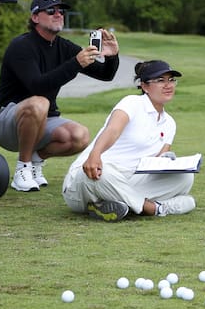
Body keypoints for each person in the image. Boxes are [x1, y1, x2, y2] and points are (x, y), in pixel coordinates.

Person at [0, 0, 121, 192]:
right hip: (6, 121)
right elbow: (37, 86)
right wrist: (75, 64)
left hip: (42, 121)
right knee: (40, 102)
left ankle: (35, 160)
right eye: (51, 10)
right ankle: (22, 169)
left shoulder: (63, 46)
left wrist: (112, 56)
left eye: (61, 11)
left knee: (80, 136)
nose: (58, 14)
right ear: (35, 17)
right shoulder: (21, 46)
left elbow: (105, 75)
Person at [61, 60, 196, 222]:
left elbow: (156, 163)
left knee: (185, 177)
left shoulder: (170, 123)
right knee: (101, 173)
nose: (168, 85)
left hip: (127, 182)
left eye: (171, 80)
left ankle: (111, 204)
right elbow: (113, 130)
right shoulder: (132, 103)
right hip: (89, 179)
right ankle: (153, 208)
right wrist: (95, 154)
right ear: (144, 86)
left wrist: (168, 162)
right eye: (160, 80)